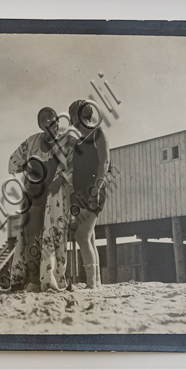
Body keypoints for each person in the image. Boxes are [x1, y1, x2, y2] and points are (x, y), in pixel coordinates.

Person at [8, 107, 72, 292]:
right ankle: (34, 280)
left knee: (55, 240)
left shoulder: (66, 141)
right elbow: (13, 161)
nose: (46, 121)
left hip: (55, 199)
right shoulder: (32, 142)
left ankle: (53, 280)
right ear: (39, 124)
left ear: (57, 121)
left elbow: (74, 165)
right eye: (42, 118)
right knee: (32, 239)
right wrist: (26, 168)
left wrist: (60, 179)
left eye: (50, 118)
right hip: (34, 197)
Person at [68, 100, 110, 289]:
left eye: (75, 114)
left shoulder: (98, 133)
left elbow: (104, 164)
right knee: (89, 236)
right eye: (71, 115)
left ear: (86, 114)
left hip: (93, 190)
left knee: (82, 236)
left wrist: (96, 189)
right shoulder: (77, 141)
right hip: (78, 193)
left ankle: (91, 283)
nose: (73, 119)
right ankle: (96, 282)